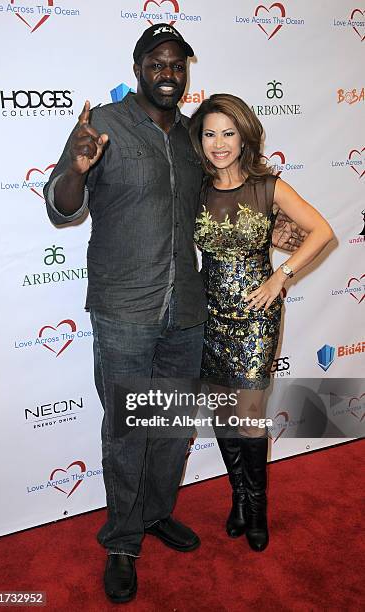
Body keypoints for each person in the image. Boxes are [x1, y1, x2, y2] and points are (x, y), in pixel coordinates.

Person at [44, 25, 304, 603]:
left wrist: (282, 262)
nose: (168, 73)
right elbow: (61, 209)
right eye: (157, 63)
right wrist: (78, 170)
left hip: (187, 309)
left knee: (170, 429)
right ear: (138, 66)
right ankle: (121, 539)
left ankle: (157, 514)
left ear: (186, 71)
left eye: (177, 65)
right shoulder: (102, 127)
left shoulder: (194, 138)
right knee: (127, 430)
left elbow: (235, 205)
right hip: (124, 309)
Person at [190, 94, 333, 552]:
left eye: (228, 133)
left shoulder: (268, 186)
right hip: (207, 314)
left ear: (244, 136)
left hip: (255, 317)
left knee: (249, 414)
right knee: (221, 413)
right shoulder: (194, 187)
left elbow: (321, 231)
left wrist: (280, 277)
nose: (219, 144)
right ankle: (237, 496)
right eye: (210, 133)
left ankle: (256, 506)